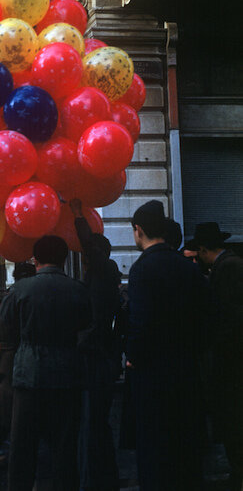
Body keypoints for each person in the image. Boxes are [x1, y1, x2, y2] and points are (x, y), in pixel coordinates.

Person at [127, 200, 209, 491]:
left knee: (155, 451)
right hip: (187, 371)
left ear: (139, 231)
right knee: (186, 449)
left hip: (153, 377)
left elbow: (140, 322)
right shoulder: (188, 267)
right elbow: (205, 319)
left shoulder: (142, 270)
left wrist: (132, 357)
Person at [0, 235, 90, 491]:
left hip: (29, 375)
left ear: (35, 259)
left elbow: (6, 331)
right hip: (68, 375)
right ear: (63, 259)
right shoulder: (78, 290)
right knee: (65, 448)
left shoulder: (19, 290)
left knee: (22, 447)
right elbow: (86, 326)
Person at [187, 222, 243, 491]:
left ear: (203, 249)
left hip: (232, 363)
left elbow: (230, 319)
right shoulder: (229, 265)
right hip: (231, 361)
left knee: (234, 420)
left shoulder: (228, 268)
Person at [70, 198, 121, 491]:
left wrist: (78, 215)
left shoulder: (104, 270)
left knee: (92, 424)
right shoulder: (105, 276)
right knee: (96, 425)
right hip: (103, 357)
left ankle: (95, 482)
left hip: (96, 359)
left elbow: (91, 247)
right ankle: (105, 478)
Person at [0, 261, 36, 445]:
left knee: (8, 401)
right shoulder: (26, 294)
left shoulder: (10, 296)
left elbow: (1, 328)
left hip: (10, 357)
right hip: (20, 356)